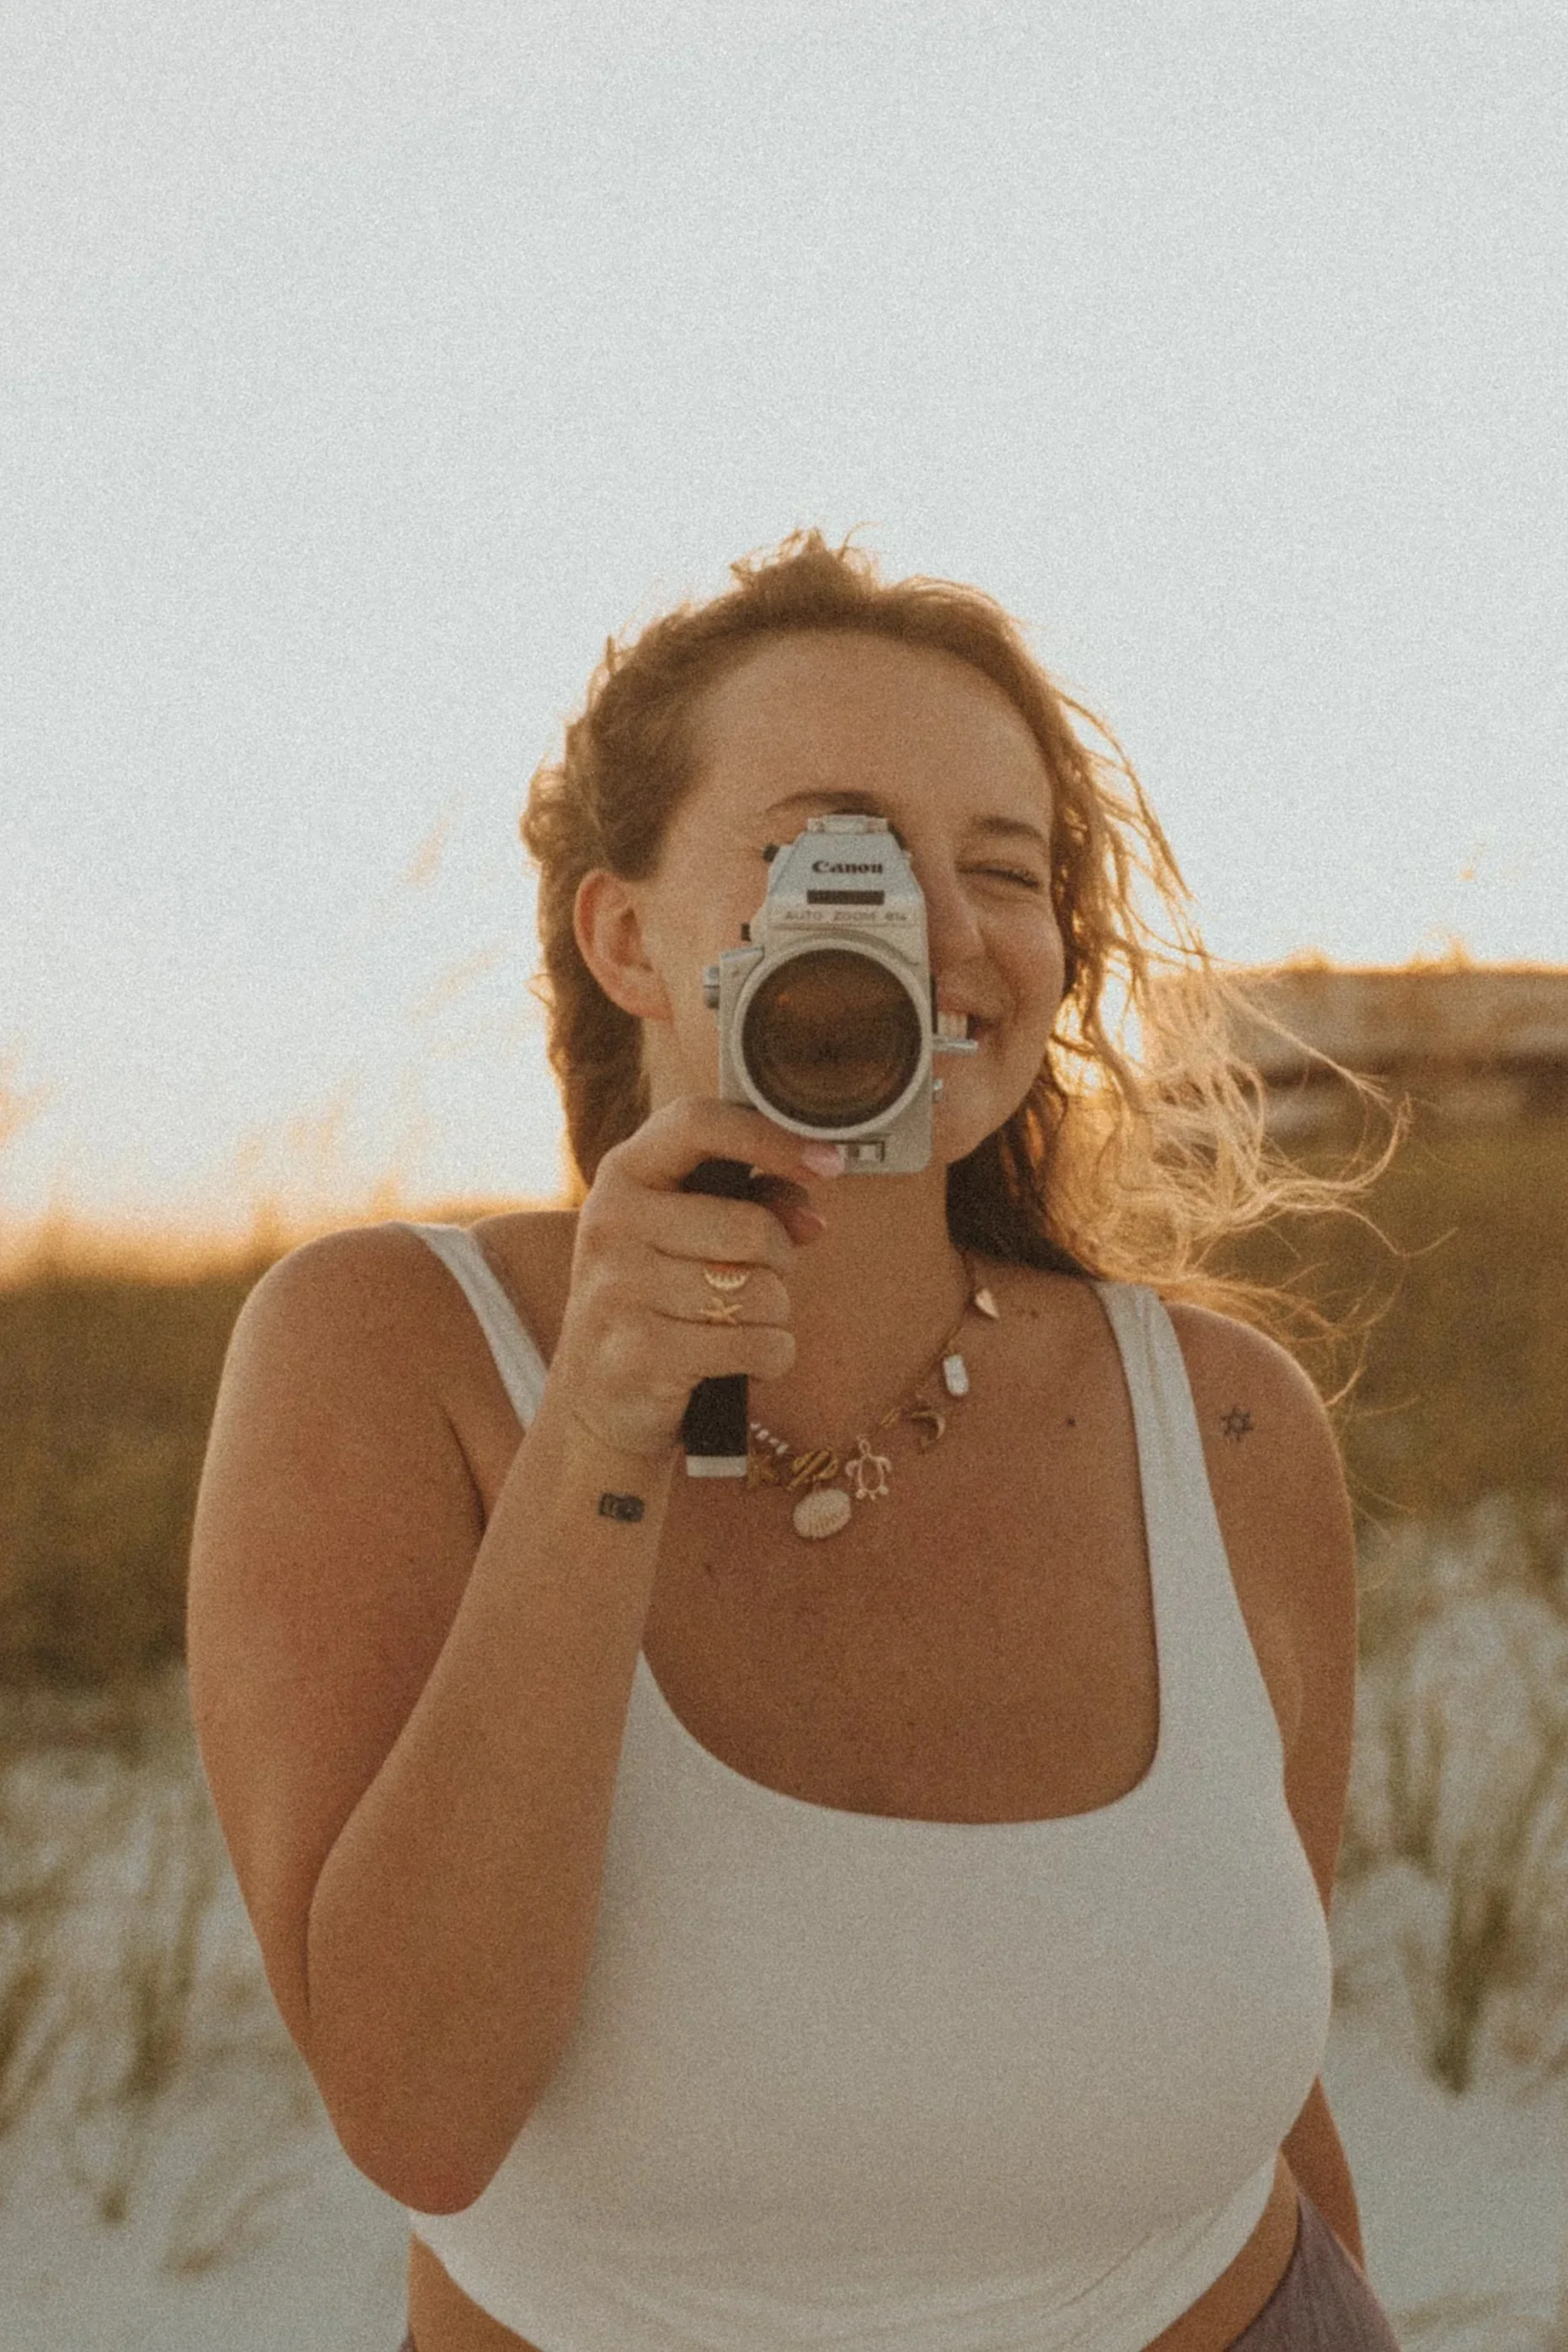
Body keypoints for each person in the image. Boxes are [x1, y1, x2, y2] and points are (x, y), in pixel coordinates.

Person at [187, 529, 1405, 2352]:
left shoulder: (1226, 1421)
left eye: (1004, 867)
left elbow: (1268, 2092)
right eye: (832, 853)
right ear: (631, 938)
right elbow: (422, 2115)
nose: (924, 921)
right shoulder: (386, 1351)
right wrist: (605, 1418)